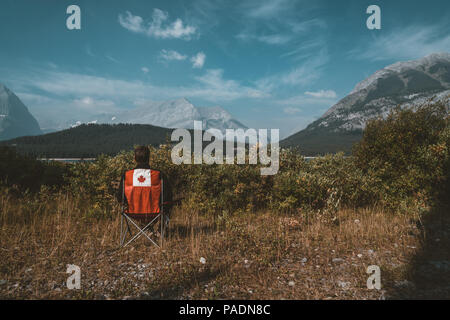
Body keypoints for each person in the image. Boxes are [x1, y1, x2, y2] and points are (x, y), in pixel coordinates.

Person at [116, 146, 173, 231]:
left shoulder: (127, 175)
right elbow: (168, 195)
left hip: (133, 213)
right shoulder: (158, 174)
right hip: (155, 213)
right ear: (149, 158)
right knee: (168, 204)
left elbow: (120, 197)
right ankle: (160, 231)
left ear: (135, 159)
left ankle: (146, 229)